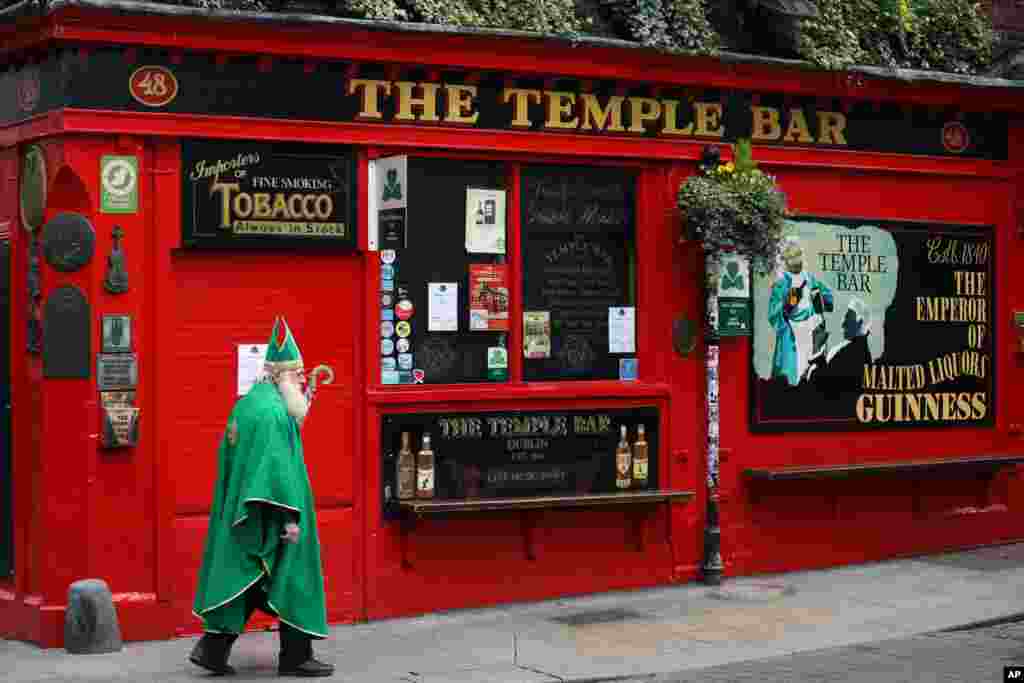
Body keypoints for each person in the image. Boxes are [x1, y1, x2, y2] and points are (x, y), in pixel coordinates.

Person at [190, 317, 333, 677]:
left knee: (248, 576)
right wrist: (290, 519)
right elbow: (275, 469)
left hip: (244, 509)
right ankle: (296, 656)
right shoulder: (272, 413)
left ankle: (212, 649)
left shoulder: (252, 403)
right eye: (297, 374)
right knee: (293, 577)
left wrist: (303, 399)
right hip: (273, 511)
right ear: (280, 375)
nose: (302, 380)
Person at [768, 237, 834, 386]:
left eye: (798, 255)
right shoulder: (781, 284)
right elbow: (774, 315)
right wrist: (790, 304)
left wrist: (820, 300)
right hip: (793, 336)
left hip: (812, 332)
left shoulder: (810, 279)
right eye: (792, 257)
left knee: (813, 376)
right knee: (793, 377)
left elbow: (828, 301)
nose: (797, 261)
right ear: (786, 261)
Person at [806, 297, 873, 396]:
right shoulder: (859, 351)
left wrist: (818, 360)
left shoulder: (851, 354)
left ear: (859, 323)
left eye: (847, 318)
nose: (842, 324)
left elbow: (824, 389)